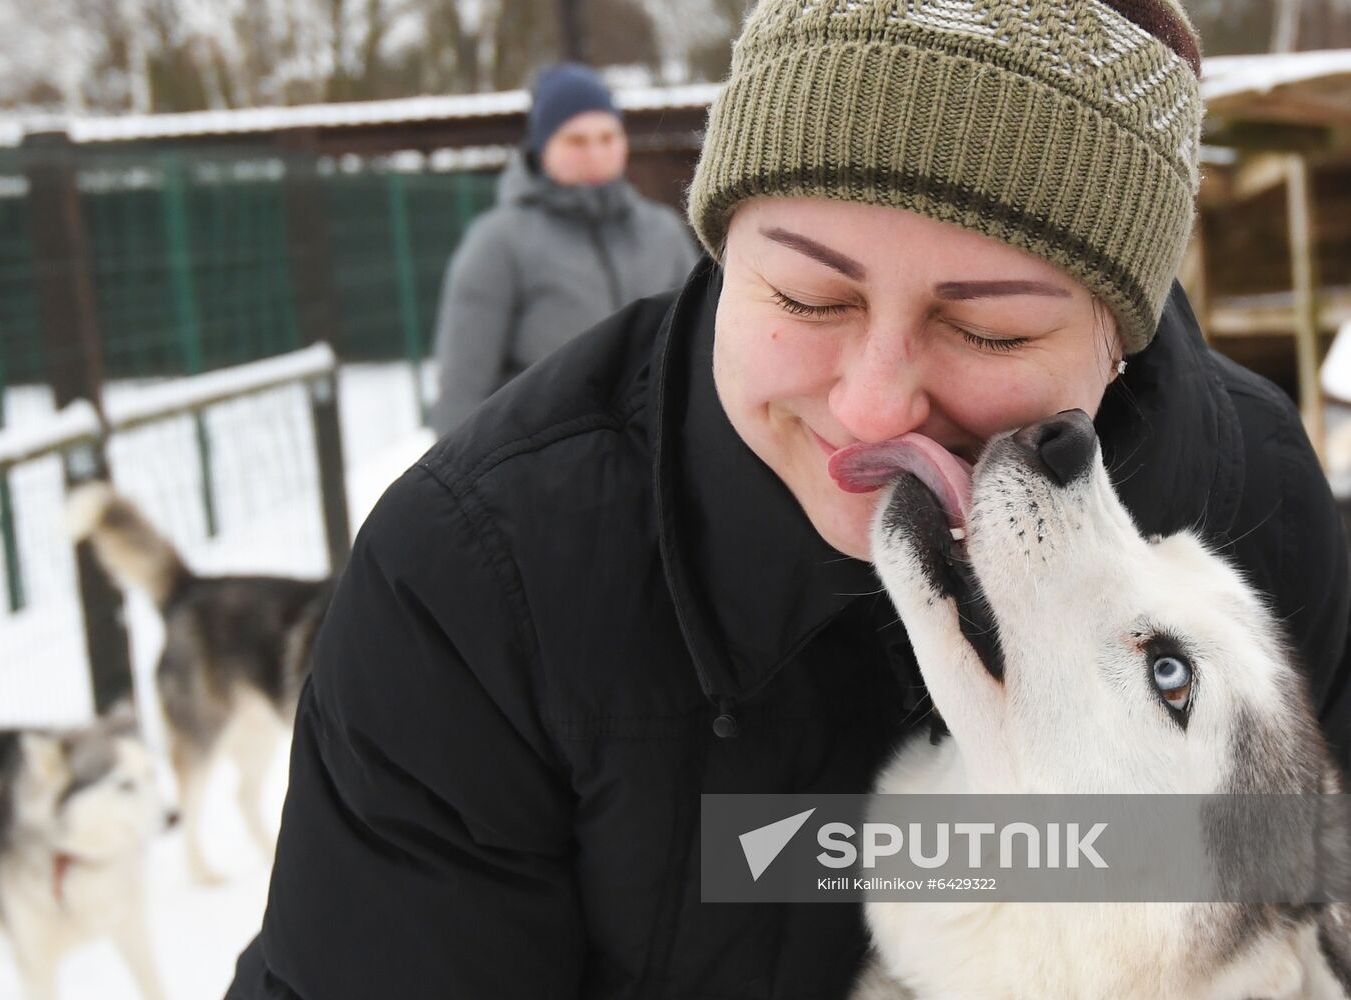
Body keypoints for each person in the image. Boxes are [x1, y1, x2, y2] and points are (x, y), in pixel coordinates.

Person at [227, 2, 1351, 997]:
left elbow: (1288, 904)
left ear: (1117, 338)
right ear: (720, 254)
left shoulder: (1252, 501)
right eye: (805, 295)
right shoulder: (478, 584)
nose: (870, 410)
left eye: (988, 329)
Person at [430, 61, 698, 434]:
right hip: (545, 474)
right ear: (543, 148)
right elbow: (462, 388)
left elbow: (702, 348)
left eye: (607, 137)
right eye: (576, 140)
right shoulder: (498, 243)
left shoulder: (662, 231)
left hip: (657, 464)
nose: (595, 153)